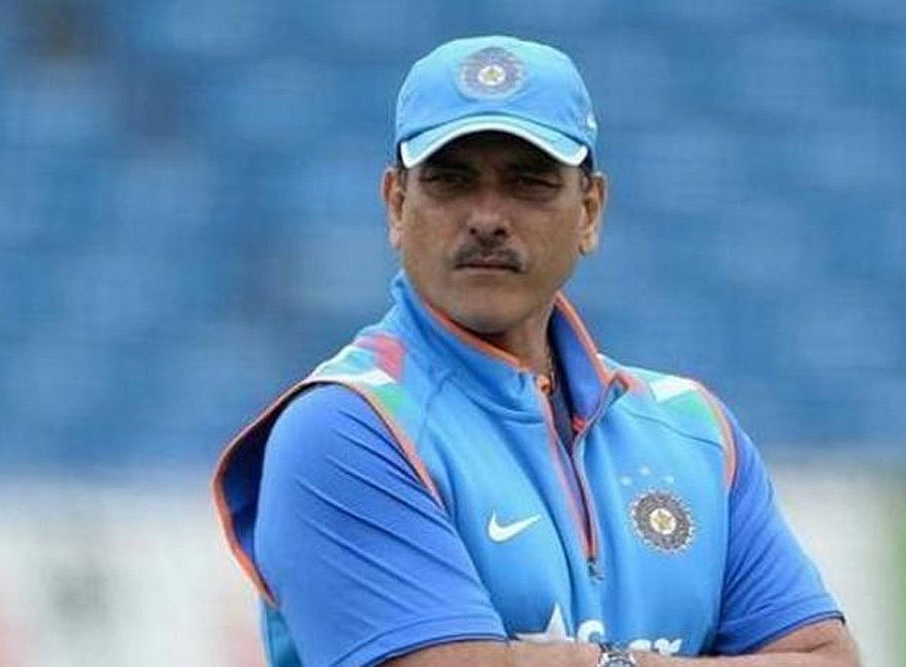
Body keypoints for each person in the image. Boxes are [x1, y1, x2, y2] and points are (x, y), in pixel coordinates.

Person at [213, 35, 859, 667]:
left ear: (590, 211)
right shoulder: (349, 427)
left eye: (528, 182)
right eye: (450, 180)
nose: (487, 217)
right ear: (396, 205)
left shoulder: (693, 430)